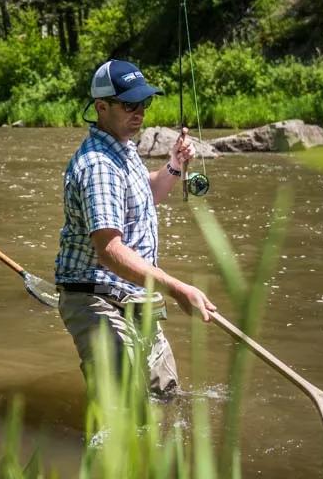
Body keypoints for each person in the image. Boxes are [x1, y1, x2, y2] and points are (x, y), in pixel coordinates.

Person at [55, 59, 216, 397]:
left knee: (166, 395)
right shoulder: (99, 165)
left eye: (144, 102)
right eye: (130, 104)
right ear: (101, 107)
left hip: (132, 293)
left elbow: (148, 195)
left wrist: (174, 165)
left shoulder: (124, 149)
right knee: (125, 406)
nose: (140, 112)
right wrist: (176, 288)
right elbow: (110, 251)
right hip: (96, 298)